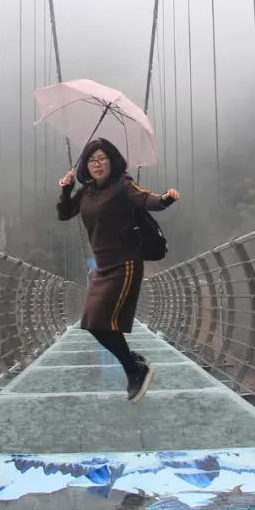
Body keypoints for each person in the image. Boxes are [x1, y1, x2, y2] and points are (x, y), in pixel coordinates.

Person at [56, 137, 180, 403]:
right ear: (85, 165)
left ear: (113, 161)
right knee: (91, 322)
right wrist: (67, 189)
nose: (97, 164)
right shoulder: (87, 191)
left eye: (102, 158)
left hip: (124, 263)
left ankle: (133, 368)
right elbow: (65, 213)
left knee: (100, 320)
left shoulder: (122, 185)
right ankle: (133, 364)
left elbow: (146, 199)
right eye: (91, 159)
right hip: (102, 266)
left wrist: (166, 199)